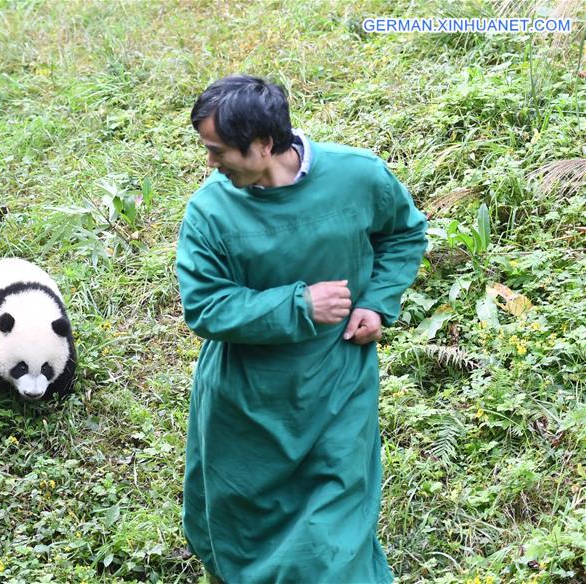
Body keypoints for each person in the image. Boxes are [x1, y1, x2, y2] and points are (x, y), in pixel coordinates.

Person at [175, 75, 428, 583]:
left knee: (335, 532)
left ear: (265, 144)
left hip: (337, 385)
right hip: (245, 401)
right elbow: (205, 306)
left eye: (219, 150)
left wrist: (376, 304)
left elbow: (404, 233)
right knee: (241, 527)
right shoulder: (210, 211)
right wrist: (299, 305)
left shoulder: (358, 177)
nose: (210, 163)